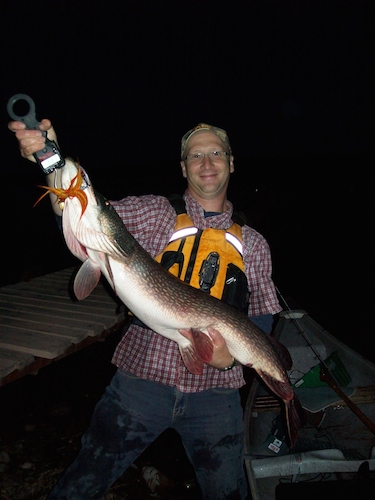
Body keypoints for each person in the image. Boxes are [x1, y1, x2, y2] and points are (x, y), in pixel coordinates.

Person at [8, 118, 282, 499]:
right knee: (82, 482)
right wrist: (51, 162)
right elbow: (73, 207)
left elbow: (263, 320)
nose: (206, 162)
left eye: (216, 153)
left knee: (228, 492)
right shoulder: (153, 213)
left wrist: (229, 360)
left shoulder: (253, 244)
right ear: (184, 168)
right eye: (196, 155)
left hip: (215, 396)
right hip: (139, 382)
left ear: (231, 163)